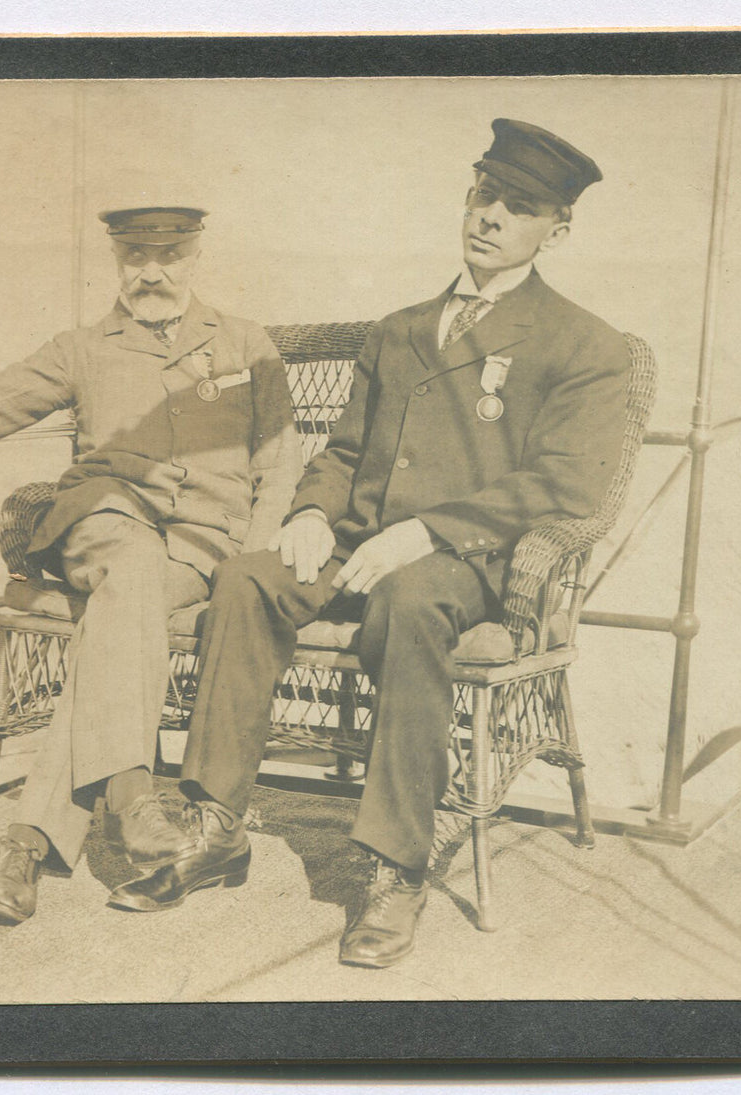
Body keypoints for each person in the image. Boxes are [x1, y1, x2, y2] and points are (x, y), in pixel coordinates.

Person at [108, 120, 630, 969]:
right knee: (245, 578)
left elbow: (562, 488)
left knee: (411, 599)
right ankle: (214, 825)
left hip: (461, 561)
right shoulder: (401, 328)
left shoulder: (585, 345)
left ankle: (395, 867)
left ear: (556, 230)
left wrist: (424, 532)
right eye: (483, 195)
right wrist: (311, 511)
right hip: (352, 541)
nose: (491, 217)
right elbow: (345, 452)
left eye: (519, 206)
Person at [0, 204, 303, 925]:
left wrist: (257, 556)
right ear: (116, 259)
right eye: (135, 254)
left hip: (201, 546)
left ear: (196, 255)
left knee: (118, 617)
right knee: (130, 570)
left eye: (168, 254)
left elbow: (280, 465)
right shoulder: (82, 347)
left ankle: (26, 842)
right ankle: (133, 796)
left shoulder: (245, 342)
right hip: (102, 520)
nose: (151, 271)